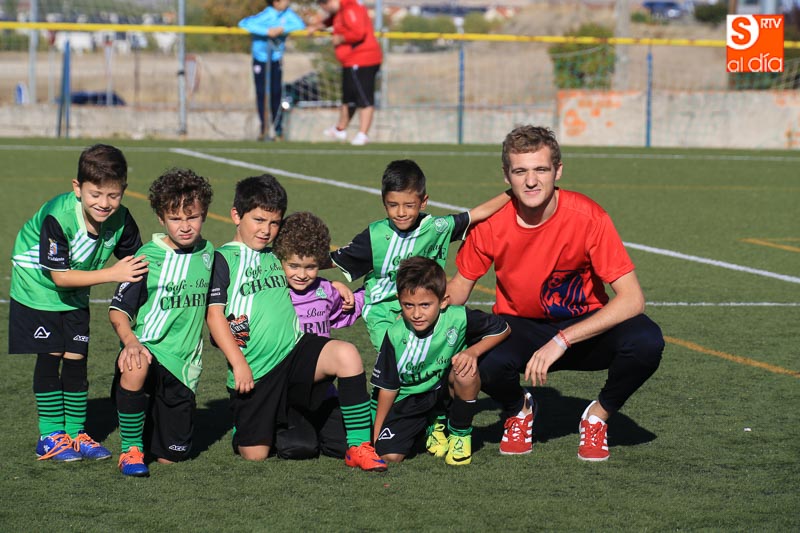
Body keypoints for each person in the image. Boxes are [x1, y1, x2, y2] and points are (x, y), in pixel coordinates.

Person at [447, 125, 665, 462]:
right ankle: (518, 409)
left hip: (584, 330)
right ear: (507, 175)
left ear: (558, 171)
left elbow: (633, 298)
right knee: (474, 356)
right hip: (519, 327)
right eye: (520, 171)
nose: (531, 181)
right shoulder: (491, 223)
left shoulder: (588, 216)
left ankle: (598, 416)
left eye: (541, 169)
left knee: (646, 340)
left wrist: (562, 339)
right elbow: (458, 290)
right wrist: (406, 295)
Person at [206, 175, 386, 471]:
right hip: (256, 368)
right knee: (256, 454)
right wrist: (238, 363)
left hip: (295, 352)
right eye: (259, 220)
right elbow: (214, 316)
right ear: (236, 215)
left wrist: (334, 284)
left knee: (347, 354)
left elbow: (306, 263)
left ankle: (359, 446)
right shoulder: (223, 259)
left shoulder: (276, 254)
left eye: (274, 223)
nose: (266, 230)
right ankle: (249, 426)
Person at [8, 144, 147, 462]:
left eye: (113, 195)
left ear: (123, 191)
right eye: (96, 194)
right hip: (38, 288)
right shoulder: (59, 217)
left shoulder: (122, 220)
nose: (104, 203)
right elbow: (59, 277)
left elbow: (137, 262)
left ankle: (74, 433)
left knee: (76, 356)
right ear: (78, 188)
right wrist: (112, 272)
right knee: (52, 353)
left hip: (76, 287)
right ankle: (50, 434)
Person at [330, 159, 510, 354]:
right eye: (393, 205)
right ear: (384, 203)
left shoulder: (435, 228)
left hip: (425, 307)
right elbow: (333, 260)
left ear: (423, 202)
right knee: (396, 362)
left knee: (438, 359)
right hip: (383, 313)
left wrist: (515, 190)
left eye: (409, 205)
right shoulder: (375, 236)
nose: (400, 212)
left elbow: (477, 214)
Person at [109, 168, 214, 477]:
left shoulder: (210, 255)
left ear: (204, 214)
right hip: (148, 352)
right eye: (176, 219)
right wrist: (131, 342)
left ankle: (152, 425)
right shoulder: (145, 257)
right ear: (161, 219)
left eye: (192, 217)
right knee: (135, 363)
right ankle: (130, 450)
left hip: (183, 368)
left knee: (173, 458)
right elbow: (117, 310)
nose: (185, 226)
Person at [372, 257, 509, 466]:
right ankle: (430, 424)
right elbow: (388, 388)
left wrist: (473, 352)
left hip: (442, 389)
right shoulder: (394, 335)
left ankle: (459, 435)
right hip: (410, 398)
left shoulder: (458, 317)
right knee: (390, 456)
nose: (417, 313)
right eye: (408, 305)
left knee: (466, 371)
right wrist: (377, 434)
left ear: (443, 301)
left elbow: (503, 329)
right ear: (399, 300)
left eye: (425, 304)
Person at [270, 210, 365, 459]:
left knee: (339, 447)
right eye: (293, 265)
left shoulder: (325, 289)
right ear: (280, 259)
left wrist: (375, 288)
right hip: (286, 389)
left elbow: (348, 308)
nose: (302, 274)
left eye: (310, 267)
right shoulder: (272, 292)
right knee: (299, 448)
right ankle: (255, 422)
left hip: (322, 391)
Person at [311, 0, 382, 146]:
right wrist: (319, 26)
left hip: (363, 59)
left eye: (323, 6)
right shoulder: (340, 10)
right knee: (348, 97)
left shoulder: (350, 8)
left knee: (364, 98)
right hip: (350, 61)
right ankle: (340, 129)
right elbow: (333, 20)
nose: (325, 9)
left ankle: (363, 134)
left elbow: (358, 32)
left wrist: (340, 38)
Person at [239, 0, 306, 141]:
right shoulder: (266, 14)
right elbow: (244, 24)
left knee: (276, 92)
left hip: (275, 59)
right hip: (260, 59)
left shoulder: (288, 15)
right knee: (261, 93)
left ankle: (278, 129)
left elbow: (300, 25)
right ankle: (264, 128)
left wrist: (282, 29)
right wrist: (266, 31)